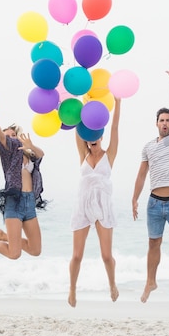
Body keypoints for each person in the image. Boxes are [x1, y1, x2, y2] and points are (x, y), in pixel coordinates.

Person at [131, 61, 169, 304]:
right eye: (162, 120)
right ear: (156, 123)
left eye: (168, 120)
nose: (166, 122)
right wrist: (134, 198)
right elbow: (141, 175)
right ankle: (150, 281)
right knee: (153, 244)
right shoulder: (148, 147)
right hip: (154, 203)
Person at [68, 98, 122, 307]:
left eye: (96, 135)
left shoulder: (110, 155)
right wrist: (82, 101)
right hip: (82, 205)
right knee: (77, 255)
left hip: (103, 206)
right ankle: (72, 289)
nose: (93, 139)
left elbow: (116, 126)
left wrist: (118, 102)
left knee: (107, 256)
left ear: (101, 136)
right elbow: (75, 125)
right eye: (89, 135)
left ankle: (112, 284)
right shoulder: (83, 154)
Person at [0, 102, 46, 259]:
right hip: (14, 202)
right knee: (14, 254)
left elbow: (41, 154)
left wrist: (31, 145)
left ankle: (3, 236)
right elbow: (1, 136)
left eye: (14, 135)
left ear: (19, 137)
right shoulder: (8, 155)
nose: (11, 139)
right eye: (8, 137)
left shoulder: (28, 155)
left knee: (35, 250)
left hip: (29, 203)